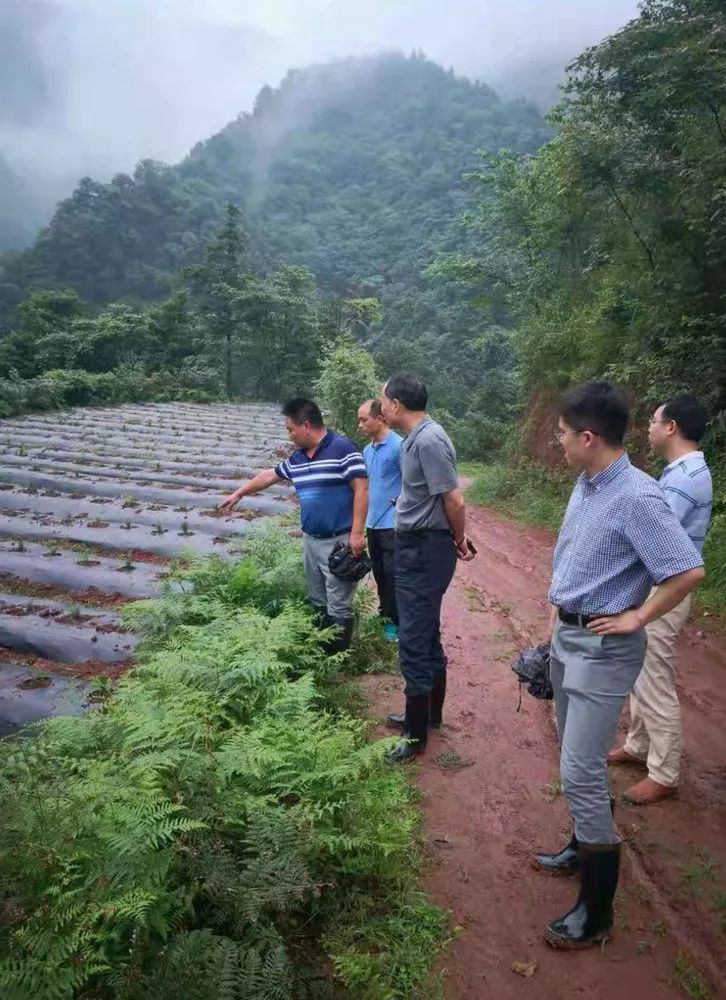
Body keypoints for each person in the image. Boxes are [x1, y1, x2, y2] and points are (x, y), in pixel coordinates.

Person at [535, 381, 704, 950]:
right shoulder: (587, 484)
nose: (556, 442)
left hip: (605, 649)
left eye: (561, 434)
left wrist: (640, 617)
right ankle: (582, 844)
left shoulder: (639, 496)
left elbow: (686, 569)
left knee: (580, 768)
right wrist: (554, 625)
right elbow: (570, 558)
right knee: (571, 752)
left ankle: (597, 909)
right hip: (570, 636)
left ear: (588, 437)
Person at [608, 394, 713, 804]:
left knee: (654, 675)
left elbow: (652, 530)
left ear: (671, 427)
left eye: (654, 421)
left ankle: (665, 771)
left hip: (666, 587)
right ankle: (638, 746)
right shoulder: (682, 471)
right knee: (641, 668)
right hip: (659, 582)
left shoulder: (685, 477)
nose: (649, 428)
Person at [219, 398, 368, 651]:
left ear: (306, 426)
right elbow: (269, 475)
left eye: (291, 429)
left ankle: (337, 662)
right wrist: (240, 493)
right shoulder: (298, 459)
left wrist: (356, 534)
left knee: (339, 603)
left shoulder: (344, 449)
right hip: (311, 539)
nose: (289, 435)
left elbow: (362, 490)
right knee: (318, 599)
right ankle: (321, 654)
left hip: (339, 540)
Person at [379, 374, 475, 763]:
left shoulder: (430, 439)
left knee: (414, 641)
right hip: (416, 548)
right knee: (424, 631)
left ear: (397, 404)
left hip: (424, 550)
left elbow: (455, 500)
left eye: (382, 399)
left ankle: (415, 736)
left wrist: (458, 540)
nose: (380, 404)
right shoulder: (416, 440)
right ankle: (428, 715)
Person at [357, 398, 402, 641]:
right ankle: (385, 616)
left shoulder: (399, 447)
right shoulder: (367, 450)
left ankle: (396, 624)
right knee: (380, 575)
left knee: (394, 575)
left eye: (364, 419)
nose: (360, 425)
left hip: (393, 525)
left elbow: (413, 484)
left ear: (380, 419)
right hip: (373, 524)